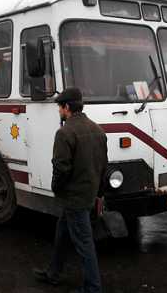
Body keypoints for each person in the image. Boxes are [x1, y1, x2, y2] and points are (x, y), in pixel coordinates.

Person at [33, 88, 108, 293]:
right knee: (62, 233)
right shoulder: (97, 130)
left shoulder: (65, 133)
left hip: (74, 197)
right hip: (88, 194)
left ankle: (93, 288)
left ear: (66, 108)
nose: (59, 111)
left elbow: (61, 168)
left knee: (84, 243)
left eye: (59, 107)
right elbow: (103, 166)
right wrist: (99, 193)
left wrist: (56, 189)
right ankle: (53, 273)